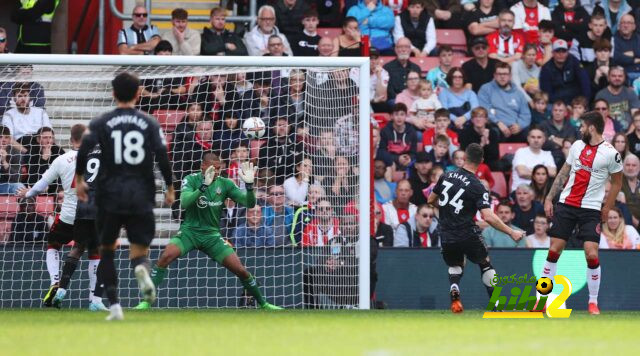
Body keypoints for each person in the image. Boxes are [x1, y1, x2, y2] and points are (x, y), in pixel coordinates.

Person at [75, 72, 175, 321]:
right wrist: (170, 187)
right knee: (140, 251)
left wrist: (79, 179)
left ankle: (115, 306)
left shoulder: (101, 122)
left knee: (107, 250)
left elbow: (84, 148)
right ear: (139, 94)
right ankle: (141, 270)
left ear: (113, 93)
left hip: (109, 195)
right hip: (141, 193)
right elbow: (162, 155)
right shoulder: (149, 122)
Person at [134, 152, 281, 309]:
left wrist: (250, 186)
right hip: (190, 232)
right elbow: (184, 202)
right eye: (213, 168)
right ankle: (146, 302)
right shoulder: (190, 179)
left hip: (211, 235)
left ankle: (264, 304)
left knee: (241, 270)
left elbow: (249, 203)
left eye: (218, 168)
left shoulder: (225, 184)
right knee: (165, 257)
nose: (216, 172)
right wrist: (203, 186)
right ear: (202, 167)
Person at [541, 110, 624, 315]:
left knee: (591, 253)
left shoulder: (611, 153)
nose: (580, 129)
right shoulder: (577, 146)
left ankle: (593, 302)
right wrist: (550, 197)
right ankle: (542, 299)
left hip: (591, 209)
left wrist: (607, 207)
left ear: (592, 128)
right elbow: (563, 172)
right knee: (554, 251)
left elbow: (617, 183)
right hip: (567, 205)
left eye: (582, 126)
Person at [427, 143, 525, 313]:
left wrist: (446, 209)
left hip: (446, 232)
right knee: (485, 263)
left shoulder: (446, 176)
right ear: (481, 161)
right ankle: (496, 305)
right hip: (467, 232)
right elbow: (488, 216)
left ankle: (454, 287)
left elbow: (430, 200)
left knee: (456, 264)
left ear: (464, 157)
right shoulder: (477, 185)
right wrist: (511, 232)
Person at [16, 124, 105, 310]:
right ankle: (93, 299)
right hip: (91, 213)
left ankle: (55, 282)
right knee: (94, 253)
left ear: (71, 140)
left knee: (53, 244)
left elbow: (41, 184)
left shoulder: (61, 159)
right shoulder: (97, 157)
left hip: (67, 215)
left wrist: (28, 193)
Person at [478, 62, 531, 143]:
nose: (502, 76)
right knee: (492, 132)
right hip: (495, 126)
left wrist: (519, 125)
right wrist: (498, 123)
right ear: (494, 75)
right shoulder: (486, 89)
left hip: (515, 128)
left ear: (510, 76)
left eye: (505, 74)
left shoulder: (518, 93)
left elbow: (526, 114)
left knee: (532, 134)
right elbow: (484, 110)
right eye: (499, 74)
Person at [2, 82, 52, 153]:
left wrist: (46, 148)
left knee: (58, 151)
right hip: (21, 144)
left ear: (30, 98)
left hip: (40, 143)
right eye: (19, 96)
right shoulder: (8, 115)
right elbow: (9, 138)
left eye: (25, 96)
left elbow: (49, 133)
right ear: (14, 99)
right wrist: (26, 152)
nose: (23, 99)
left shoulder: (41, 112)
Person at [539, 39, 591, 104]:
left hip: (575, 101)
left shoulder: (574, 62)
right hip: (556, 103)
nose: (561, 54)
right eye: (558, 51)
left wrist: (585, 102)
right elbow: (547, 93)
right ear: (552, 53)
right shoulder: (546, 69)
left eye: (563, 51)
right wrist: (563, 106)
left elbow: (585, 82)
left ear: (567, 52)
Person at [258, 117, 303, 185]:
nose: (282, 128)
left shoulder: (299, 145)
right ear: (273, 128)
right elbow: (267, 169)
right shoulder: (265, 147)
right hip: (274, 185)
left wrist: (280, 162)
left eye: (284, 125)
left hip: (296, 182)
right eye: (279, 125)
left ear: (290, 127)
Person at [511, 127, 557, 192]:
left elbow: (553, 173)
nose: (536, 140)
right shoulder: (520, 152)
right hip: (520, 192)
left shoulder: (547, 154)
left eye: (539, 137)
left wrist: (530, 170)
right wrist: (543, 173)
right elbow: (522, 173)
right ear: (528, 139)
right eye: (533, 137)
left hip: (540, 193)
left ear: (544, 139)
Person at [595, 66, 640, 131]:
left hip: (629, 132)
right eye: (614, 76)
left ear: (624, 78)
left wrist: (628, 135)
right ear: (608, 78)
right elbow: (598, 119)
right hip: (607, 132)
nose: (617, 78)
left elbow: (636, 118)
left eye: (620, 76)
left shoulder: (631, 93)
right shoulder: (601, 95)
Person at [539, 100, 580, 166]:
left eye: (560, 110)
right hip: (548, 156)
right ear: (552, 112)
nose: (557, 113)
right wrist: (564, 142)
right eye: (555, 110)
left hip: (565, 157)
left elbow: (572, 142)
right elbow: (543, 142)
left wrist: (552, 138)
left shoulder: (571, 126)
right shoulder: (543, 125)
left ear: (565, 113)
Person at [379, 103, 418, 169]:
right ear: (391, 116)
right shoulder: (385, 131)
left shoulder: (412, 131)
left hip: (407, 162)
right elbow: (382, 152)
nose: (399, 117)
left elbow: (413, 153)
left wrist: (409, 158)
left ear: (406, 116)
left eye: (402, 114)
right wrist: (397, 158)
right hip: (390, 161)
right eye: (396, 114)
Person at [25, 127, 64, 191]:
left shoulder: (59, 151)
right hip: (36, 186)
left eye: (50, 137)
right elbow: (32, 178)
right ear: (38, 139)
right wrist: (44, 159)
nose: (48, 141)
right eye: (45, 138)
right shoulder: (31, 152)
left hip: (55, 186)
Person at [383, 38, 421, 102]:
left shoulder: (416, 68)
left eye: (406, 47)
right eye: (400, 47)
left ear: (410, 50)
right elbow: (389, 91)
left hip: (414, 99)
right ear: (396, 49)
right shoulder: (387, 68)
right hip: (395, 101)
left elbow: (419, 88)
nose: (403, 50)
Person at [612, 14, 640, 81]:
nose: (625, 25)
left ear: (634, 26)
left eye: (629, 23)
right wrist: (634, 60)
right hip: (622, 75)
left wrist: (630, 54)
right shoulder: (613, 39)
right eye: (623, 23)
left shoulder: (638, 38)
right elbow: (616, 57)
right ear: (619, 26)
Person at [0, 125, 24, 194]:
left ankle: (26, 204)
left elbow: (17, 178)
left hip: (6, 185)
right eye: (0, 137)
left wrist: (4, 162)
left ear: (10, 139)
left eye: (6, 137)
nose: (4, 140)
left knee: (19, 186)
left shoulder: (15, 152)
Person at [620, 154, 640, 228]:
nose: (630, 168)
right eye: (628, 165)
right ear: (623, 167)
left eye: (634, 165)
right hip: (624, 225)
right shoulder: (617, 184)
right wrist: (636, 222)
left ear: (639, 167)